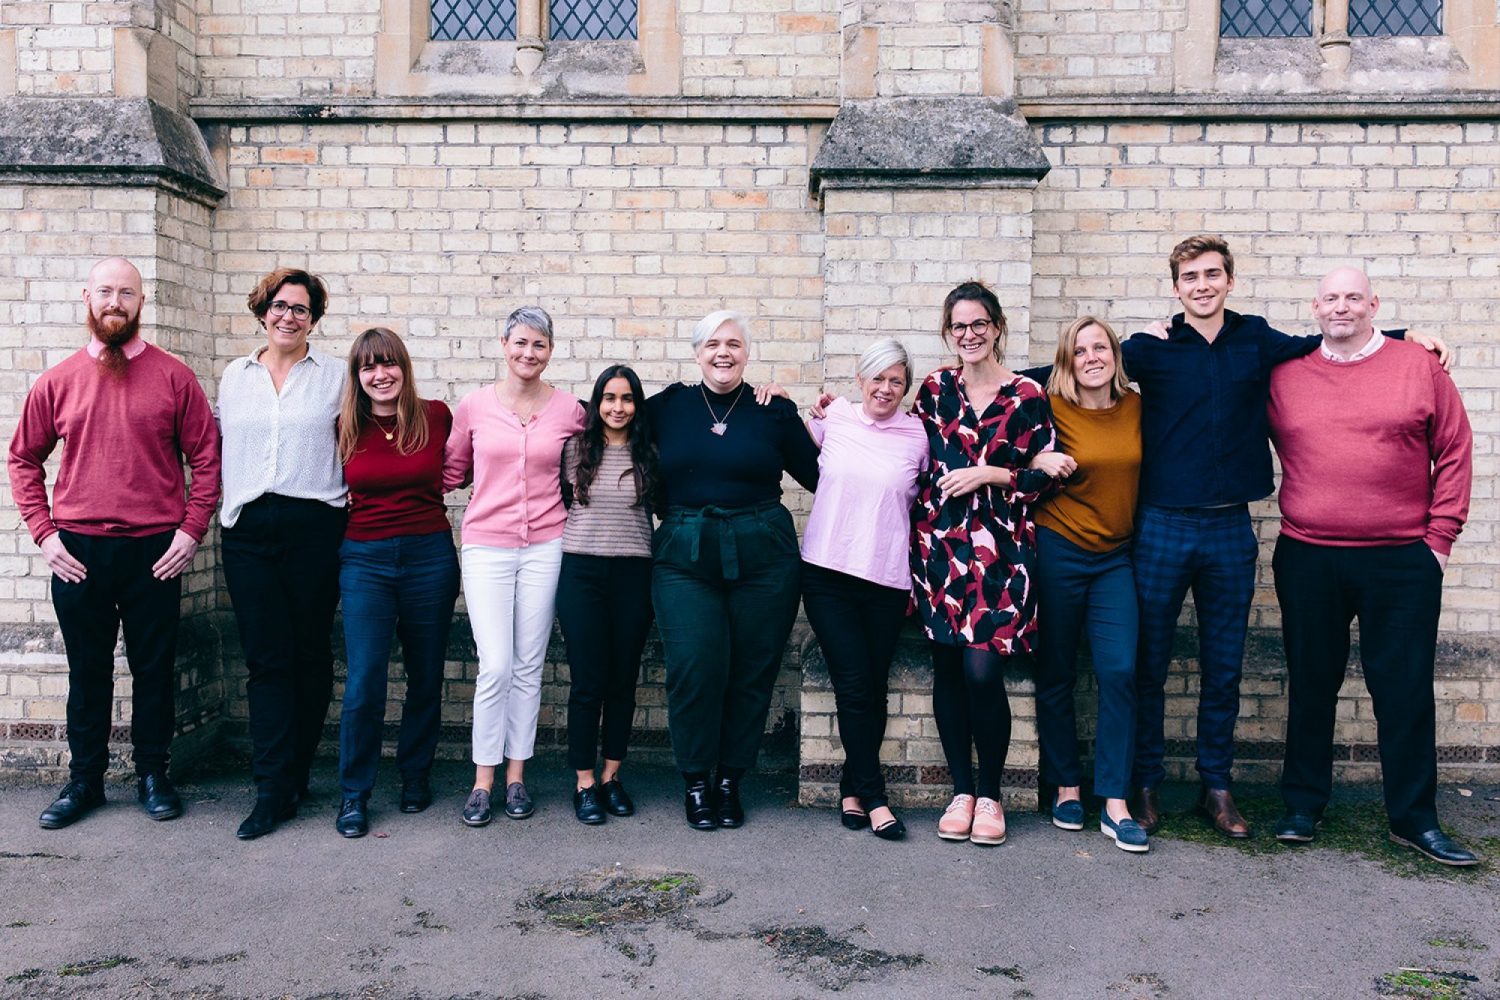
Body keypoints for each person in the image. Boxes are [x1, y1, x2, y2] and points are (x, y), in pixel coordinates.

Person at [1122, 235, 1446, 839]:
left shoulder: (1257, 338)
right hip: (1162, 524)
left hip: (1229, 528)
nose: (1202, 285)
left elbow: (1329, 342)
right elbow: (1077, 368)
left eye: (1212, 274)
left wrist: (1405, 337)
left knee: (1224, 666)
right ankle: (1146, 784)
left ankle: (1216, 788)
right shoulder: (1149, 348)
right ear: (1175, 287)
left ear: (1229, 281)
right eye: (1189, 277)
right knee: (1150, 664)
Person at [1268, 267, 1477, 866]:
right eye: (1331, 298)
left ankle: (1415, 819)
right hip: (1309, 554)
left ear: (1373, 304)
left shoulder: (1418, 366)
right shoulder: (1284, 373)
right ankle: (1303, 804)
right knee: (1311, 683)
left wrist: (1438, 541)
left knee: (1404, 690)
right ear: (1315, 308)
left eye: (1353, 297)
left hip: (1401, 560)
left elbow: (1455, 449)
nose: (1341, 307)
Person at [8, 257, 221, 829]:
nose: (115, 303)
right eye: (105, 291)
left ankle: (155, 775)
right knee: (88, 671)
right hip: (78, 551)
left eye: (126, 293)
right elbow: (23, 459)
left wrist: (190, 529)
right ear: (87, 298)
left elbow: (207, 459)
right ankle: (85, 783)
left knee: (155, 670)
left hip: (157, 550)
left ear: (140, 303)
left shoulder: (175, 377)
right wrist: (44, 535)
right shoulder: (57, 381)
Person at [649, 310, 820, 831]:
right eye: (713, 344)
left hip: (764, 553)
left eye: (734, 344)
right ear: (697, 351)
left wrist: (828, 416)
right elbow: (604, 432)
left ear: (747, 352)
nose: (724, 353)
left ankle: (730, 780)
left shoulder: (772, 410)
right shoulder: (666, 408)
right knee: (696, 667)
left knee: (751, 669)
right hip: (684, 551)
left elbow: (822, 476)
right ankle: (697, 780)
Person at [912, 281, 1059, 847]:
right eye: (958, 326)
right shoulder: (933, 389)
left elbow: (1047, 473)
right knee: (948, 669)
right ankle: (961, 791)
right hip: (941, 548)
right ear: (947, 333)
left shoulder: (1026, 396)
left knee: (982, 670)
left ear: (997, 327)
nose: (969, 335)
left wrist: (991, 474)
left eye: (979, 324)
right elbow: (905, 443)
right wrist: (832, 415)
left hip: (1002, 553)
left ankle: (991, 794)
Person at [217, 268, 348, 841]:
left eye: (300, 308)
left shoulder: (336, 377)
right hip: (248, 529)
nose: (288, 316)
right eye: (279, 305)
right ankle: (271, 789)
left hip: (315, 524)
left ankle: (295, 772)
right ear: (262, 311)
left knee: (310, 654)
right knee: (266, 659)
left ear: (314, 319)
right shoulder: (233, 377)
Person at [444, 306, 585, 827]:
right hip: (487, 546)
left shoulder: (571, 410)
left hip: (548, 544)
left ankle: (517, 777)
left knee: (529, 665)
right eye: (521, 343)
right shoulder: (475, 407)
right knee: (495, 665)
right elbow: (452, 470)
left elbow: (605, 450)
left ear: (551, 351)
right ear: (504, 344)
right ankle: (482, 780)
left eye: (540, 345)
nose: (529, 353)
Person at [800, 338, 929, 841]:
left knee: (872, 687)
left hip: (887, 578)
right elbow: (781, 447)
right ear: (860, 380)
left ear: (906, 387)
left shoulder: (918, 436)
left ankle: (851, 790)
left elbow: (926, 508)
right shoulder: (833, 420)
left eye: (896, 380)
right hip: (828, 572)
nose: (886, 388)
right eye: (877, 378)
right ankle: (875, 799)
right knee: (854, 684)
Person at [332, 328, 459, 838]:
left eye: (389, 364)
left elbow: (463, 467)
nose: (380, 375)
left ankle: (414, 775)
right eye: (368, 367)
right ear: (357, 376)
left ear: (403, 368)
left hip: (429, 553)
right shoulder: (342, 425)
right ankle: (354, 794)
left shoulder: (436, 416)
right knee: (365, 679)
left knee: (426, 674)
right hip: (364, 558)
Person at [1030, 316, 1149, 853]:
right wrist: (1037, 457)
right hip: (1057, 550)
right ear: (1067, 361)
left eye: (1101, 347)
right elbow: (1000, 430)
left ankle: (1116, 802)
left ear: (1115, 355)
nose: (1092, 357)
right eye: (1080, 350)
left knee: (1120, 671)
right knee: (1055, 671)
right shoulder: (1048, 407)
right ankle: (1066, 787)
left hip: (1114, 560)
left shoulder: (1136, 407)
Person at [556, 365, 660, 825]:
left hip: (634, 573)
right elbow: (564, 501)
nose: (618, 407)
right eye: (609, 398)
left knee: (622, 681)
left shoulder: (651, 453)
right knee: (587, 682)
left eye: (627, 399)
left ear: (637, 405)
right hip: (581, 572)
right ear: (596, 403)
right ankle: (583, 782)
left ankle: (611, 777)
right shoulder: (575, 450)